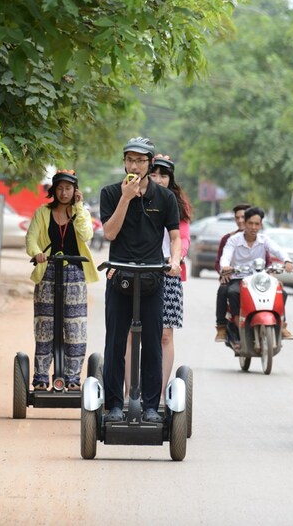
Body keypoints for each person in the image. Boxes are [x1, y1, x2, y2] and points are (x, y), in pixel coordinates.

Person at [100, 137, 181, 423]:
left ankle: (150, 406)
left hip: (152, 277)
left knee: (152, 342)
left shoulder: (165, 198)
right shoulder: (111, 193)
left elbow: (175, 236)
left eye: (140, 161)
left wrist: (174, 260)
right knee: (115, 342)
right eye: (130, 160)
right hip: (119, 274)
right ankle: (114, 405)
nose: (134, 166)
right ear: (124, 162)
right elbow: (109, 233)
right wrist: (125, 198)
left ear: (149, 163)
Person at [26, 169, 99, 391]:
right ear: (54, 190)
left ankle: (73, 378)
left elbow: (86, 235)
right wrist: (37, 253)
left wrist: (78, 208)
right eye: (60, 188)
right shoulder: (42, 212)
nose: (64, 192)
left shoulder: (81, 212)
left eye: (68, 188)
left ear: (75, 191)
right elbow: (31, 238)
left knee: (75, 327)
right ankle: (41, 377)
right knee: (44, 326)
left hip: (75, 274)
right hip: (47, 272)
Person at [124, 155, 191, 397]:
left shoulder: (176, 205)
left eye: (164, 175)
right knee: (132, 333)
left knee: (164, 334)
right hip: (137, 269)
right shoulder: (132, 197)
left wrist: (176, 259)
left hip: (167, 271)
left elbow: (182, 239)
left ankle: (158, 394)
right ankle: (131, 392)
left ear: (171, 179)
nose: (159, 179)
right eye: (154, 174)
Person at [219, 206, 293, 349]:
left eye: (257, 224)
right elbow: (226, 256)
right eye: (250, 223)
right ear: (245, 223)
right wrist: (225, 266)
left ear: (261, 225)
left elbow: (277, 250)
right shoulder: (233, 240)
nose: (253, 227)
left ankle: (282, 324)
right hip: (239, 278)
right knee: (233, 292)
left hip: (260, 280)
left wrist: (287, 261)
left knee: (281, 293)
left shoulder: (264, 240)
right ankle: (236, 324)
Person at [213, 203, 250, 342]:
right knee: (224, 290)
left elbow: (268, 260)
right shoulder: (227, 239)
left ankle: (280, 325)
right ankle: (221, 327)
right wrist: (224, 272)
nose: (240, 220)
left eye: (243, 217)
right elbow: (218, 262)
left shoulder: (261, 239)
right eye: (237, 217)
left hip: (255, 279)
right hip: (233, 278)